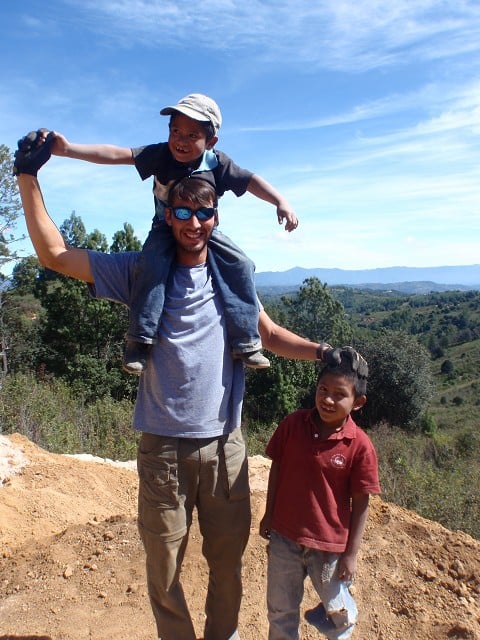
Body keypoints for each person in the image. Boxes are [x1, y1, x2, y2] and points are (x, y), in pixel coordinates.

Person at [14, 133, 337, 640]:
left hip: (224, 447)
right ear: (168, 216)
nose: (193, 222)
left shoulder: (231, 280)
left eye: (202, 213)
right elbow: (56, 254)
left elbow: (271, 336)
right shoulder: (142, 272)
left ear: (215, 217)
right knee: (163, 570)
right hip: (162, 449)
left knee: (227, 567)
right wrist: (27, 177)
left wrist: (323, 352)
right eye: (182, 212)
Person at [35, 93, 299, 374]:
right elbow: (116, 154)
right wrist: (68, 149)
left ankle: (246, 341)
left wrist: (280, 201)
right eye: (175, 131)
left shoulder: (217, 163)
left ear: (211, 141)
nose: (180, 140)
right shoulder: (161, 155)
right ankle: (140, 340)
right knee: (151, 265)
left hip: (204, 233)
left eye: (192, 135)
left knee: (242, 264)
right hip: (165, 227)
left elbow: (250, 181)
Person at [259, 348, 381, 640]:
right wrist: (269, 514)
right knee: (280, 612)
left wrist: (351, 554)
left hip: (329, 546)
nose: (327, 399)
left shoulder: (359, 445)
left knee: (339, 615)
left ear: (358, 402)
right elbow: (277, 469)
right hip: (285, 537)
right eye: (323, 390)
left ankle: (336, 613)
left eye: (339, 395)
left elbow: (361, 502)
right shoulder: (293, 424)